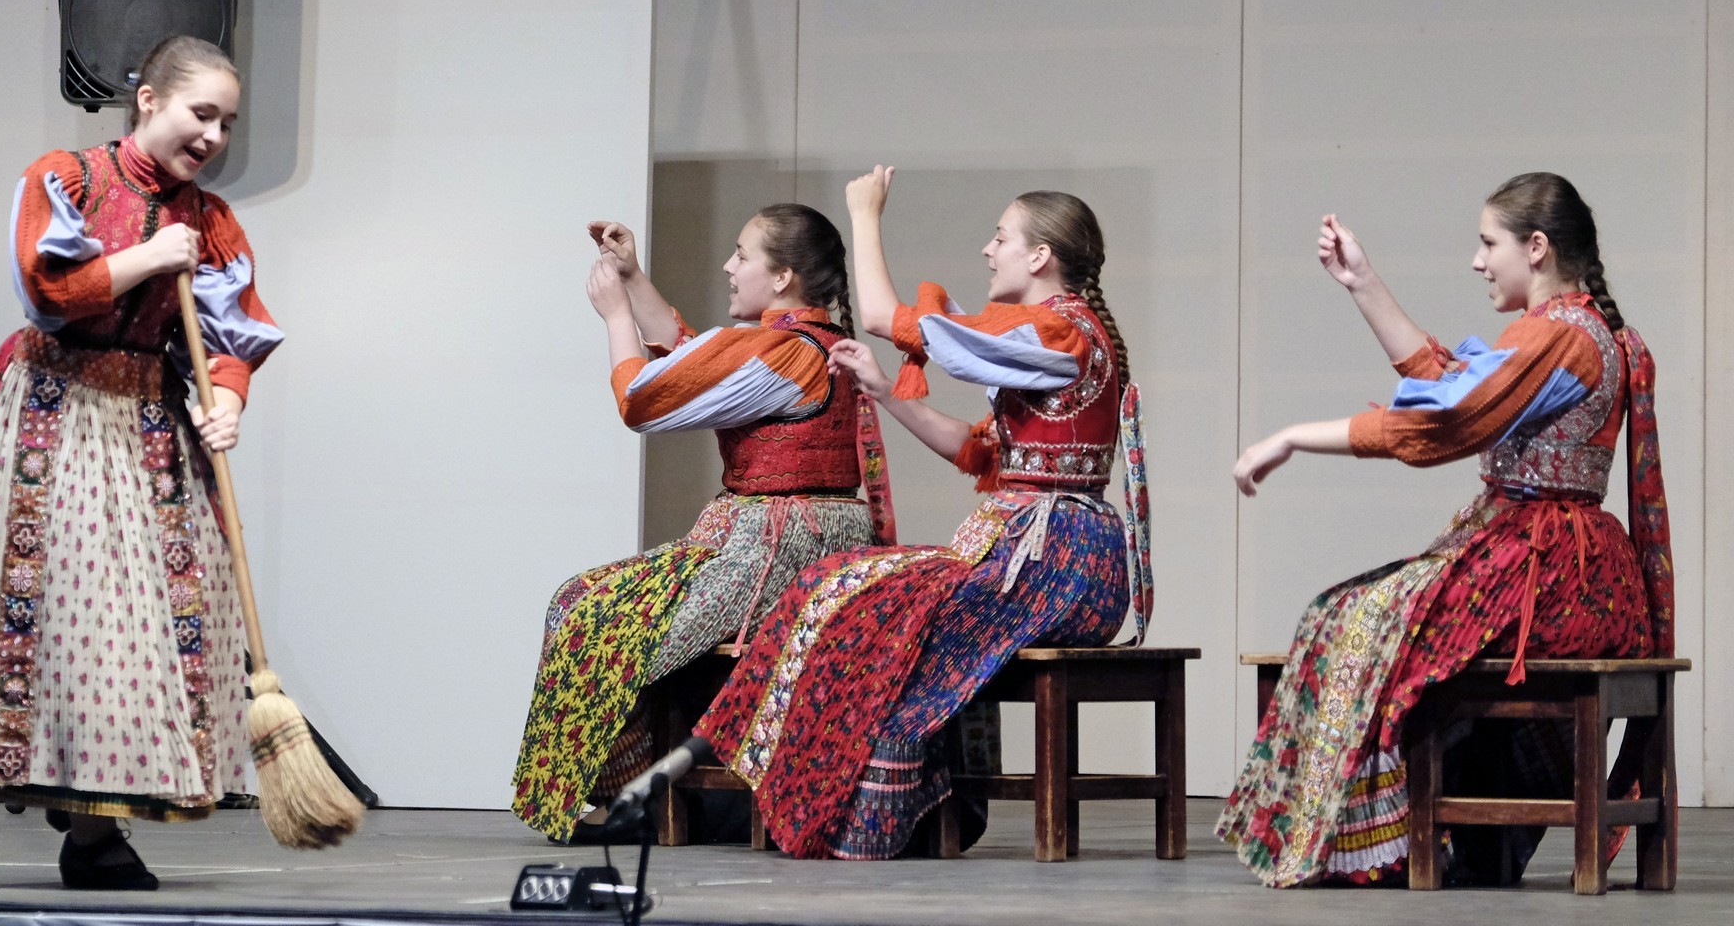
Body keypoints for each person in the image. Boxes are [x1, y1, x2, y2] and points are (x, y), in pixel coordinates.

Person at [1217, 173, 1673, 888]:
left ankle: (1378, 846)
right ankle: (1447, 838)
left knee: (1351, 619)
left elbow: (1448, 421)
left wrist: (1293, 437)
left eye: (1489, 244)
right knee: (1358, 612)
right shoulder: (1587, 331)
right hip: (1565, 563)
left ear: (1537, 247)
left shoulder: (1559, 335)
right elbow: (1452, 383)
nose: (1478, 261)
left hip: (1550, 570)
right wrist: (1363, 283)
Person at [693, 167, 1151, 860]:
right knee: (839, 584)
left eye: (1001, 238)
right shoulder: (1050, 339)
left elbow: (886, 318)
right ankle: (872, 797)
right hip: (1039, 551)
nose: (988, 250)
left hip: (1057, 562)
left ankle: (875, 810)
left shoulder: (1058, 333)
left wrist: (865, 213)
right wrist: (885, 391)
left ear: (1040, 257)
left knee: (870, 602)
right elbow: (975, 449)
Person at [0, 36, 281, 891]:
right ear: (148, 100)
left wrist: (228, 401)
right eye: (201, 113)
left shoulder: (211, 220)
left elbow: (233, 337)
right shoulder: (68, 178)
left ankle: (88, 806)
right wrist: (149, 257)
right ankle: (91, 830)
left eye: (227, 122)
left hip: (152, 419)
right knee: (82, 621)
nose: (214, 136)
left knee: (155, 620)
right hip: (58, 413)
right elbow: (47, 289)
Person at [510, 205, 889, 843]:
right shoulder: (797, 343)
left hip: (784, 548)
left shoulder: (786, 353)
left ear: (782, 277)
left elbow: (645, 401)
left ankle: (633, 799)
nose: (728, 266)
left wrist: (618, 319)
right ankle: (630, 794)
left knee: (601, 621)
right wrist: (633, 278)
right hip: (765, 535)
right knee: (579, 601)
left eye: (742, 254)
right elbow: (697, 358)